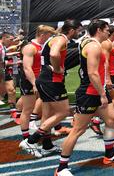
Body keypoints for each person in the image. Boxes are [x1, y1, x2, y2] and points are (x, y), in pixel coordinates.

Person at [55, 19, 114, 176]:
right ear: (99, 30)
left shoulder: (89, 43)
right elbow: (92, 73)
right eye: (107, 29)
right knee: (78, 130)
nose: (109, 32)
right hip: (90, 92)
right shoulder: (94, 46)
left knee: (111, 120)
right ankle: (61, 168)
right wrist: (102, 94)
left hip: (97, 90)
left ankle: (109, 155)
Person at [20, 20, 81, 157]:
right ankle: (31, 140)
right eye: (78, 30)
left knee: (47, 115)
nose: (79, 33)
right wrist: (58, 68)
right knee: (64, 112)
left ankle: (47, 145)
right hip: (51, 81)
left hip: (45, 79)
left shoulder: (54, 38)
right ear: (71, 30)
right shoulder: (61, 39)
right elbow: (54, 54)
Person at [17, 25, 54, 152]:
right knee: (27, 109)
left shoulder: (43, 46)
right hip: (30, 81)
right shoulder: (30, 47)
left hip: (42, 81)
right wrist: (34, 83)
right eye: (49, 35)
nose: (51, 38)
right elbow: (27, 68)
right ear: (42, 34)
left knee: (48, 111)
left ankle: (47, 143)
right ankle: (27, 140)